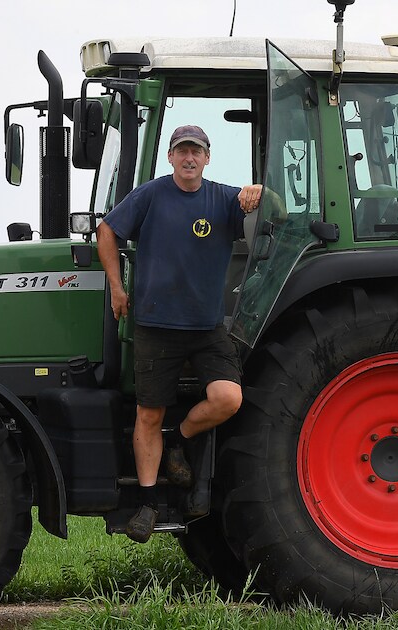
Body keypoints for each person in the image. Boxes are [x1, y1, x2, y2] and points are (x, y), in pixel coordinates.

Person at [96, 124, 263, 543]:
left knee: (228, 398)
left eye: (197, 152)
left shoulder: (223, 199)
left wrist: (260, 191)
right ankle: (148, 504)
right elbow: (107, 230)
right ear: (170, 157)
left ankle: (181, 439)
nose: (190, 158)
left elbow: (273, 206)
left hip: (206, 328)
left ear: (207, 158)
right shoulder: (151, 195)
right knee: (148, 414)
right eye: (182, 151)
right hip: (156, 325)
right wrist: (116, 287)